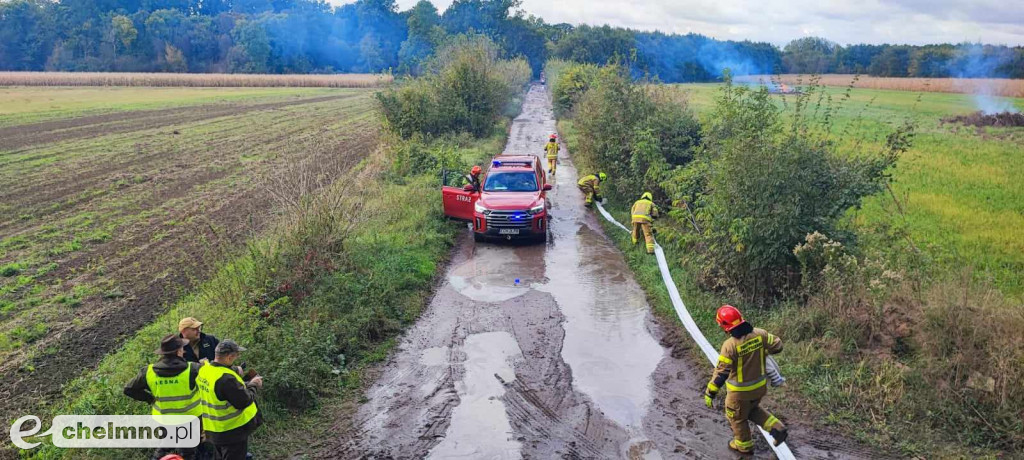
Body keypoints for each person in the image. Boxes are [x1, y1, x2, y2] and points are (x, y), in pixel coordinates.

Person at [704, 305, 789, 454]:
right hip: (759, 389)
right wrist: (764, 351)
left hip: (739, 394)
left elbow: (722, 373)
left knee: (736, 417)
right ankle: (777, 428)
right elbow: (778, 345)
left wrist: (710, 392)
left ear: (725, 326)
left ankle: (743, 446)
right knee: (751, 410)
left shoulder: (729, 346)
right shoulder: (760, 334)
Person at [124, 335, 202, 460]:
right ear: (178, 351)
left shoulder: (148, 372)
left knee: (166, 443)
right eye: (182, 348)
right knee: (188, 452)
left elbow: (129, 389)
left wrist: (150, 399)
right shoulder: (193, 369)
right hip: (190, 419)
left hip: (165, 419)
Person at [197, 340, 263, 460]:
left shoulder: (204, 370)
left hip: (214, 429)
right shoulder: (226, 378)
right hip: (232, 432)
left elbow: (223, 393)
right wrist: (254, 385)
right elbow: (244, 401)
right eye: (236, 355)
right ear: (229, 357)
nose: (237, 358)